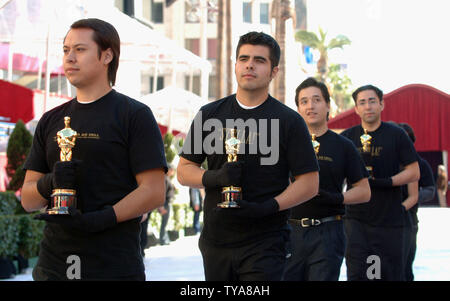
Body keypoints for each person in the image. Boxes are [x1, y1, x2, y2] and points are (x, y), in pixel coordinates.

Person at [20, 18, 167, 281]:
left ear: (107, 55)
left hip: (112, 263)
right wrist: (50, 183)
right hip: (54, 263)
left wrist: (102, 219)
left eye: (80, 49)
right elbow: (28, 200)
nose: (70, 58)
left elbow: (154, 192)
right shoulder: (50, 120)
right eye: (66, 50)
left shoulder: (134, 115)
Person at [177, 31, 319, 281]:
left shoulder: (289, 121)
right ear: (235, 65)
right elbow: (184, 170)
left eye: (259, 60)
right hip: (216, 239)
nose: (250, 64)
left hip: (266, 240)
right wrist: (215, 177)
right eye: (243, 58)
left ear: (274, 71)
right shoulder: (209, 114)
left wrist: (269, 206)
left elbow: (309, 183)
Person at [283, 77, 371, 281]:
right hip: (290, 231)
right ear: (297, 108)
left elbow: (364, 191)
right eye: (304, 101)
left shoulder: (344, 145)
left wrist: (337, 198)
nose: (310, 106)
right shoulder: (284, 145)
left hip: (328, 232)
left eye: (316, 100)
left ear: (328, 105)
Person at [340, 85, 420, 281]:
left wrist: (387, 182)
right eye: (362, 102)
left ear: (382, 104)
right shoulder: (347, 138)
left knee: (390, 275)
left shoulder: (397, 135)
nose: (368, 107)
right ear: (356, 108)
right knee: (358, 274)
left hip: (390, 220)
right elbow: (337, 176)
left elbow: (414, 171)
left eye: (372, 101)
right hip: (356, 220)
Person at [398, 122, 435, 281]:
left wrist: (412, 196)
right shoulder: (384, 162)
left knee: (405, 266)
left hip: (409, 220)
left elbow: (430, 190)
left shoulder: (420, 164)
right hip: (382, 221)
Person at [159, 164, 175, 245]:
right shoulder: (164, 178)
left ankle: (165, 238)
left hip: (167, 202)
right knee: (164, 222)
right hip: (164, 203)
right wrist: (160, 206)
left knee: (165, 222)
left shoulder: (167, 178)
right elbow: (162, 192)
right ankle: (163, 239)